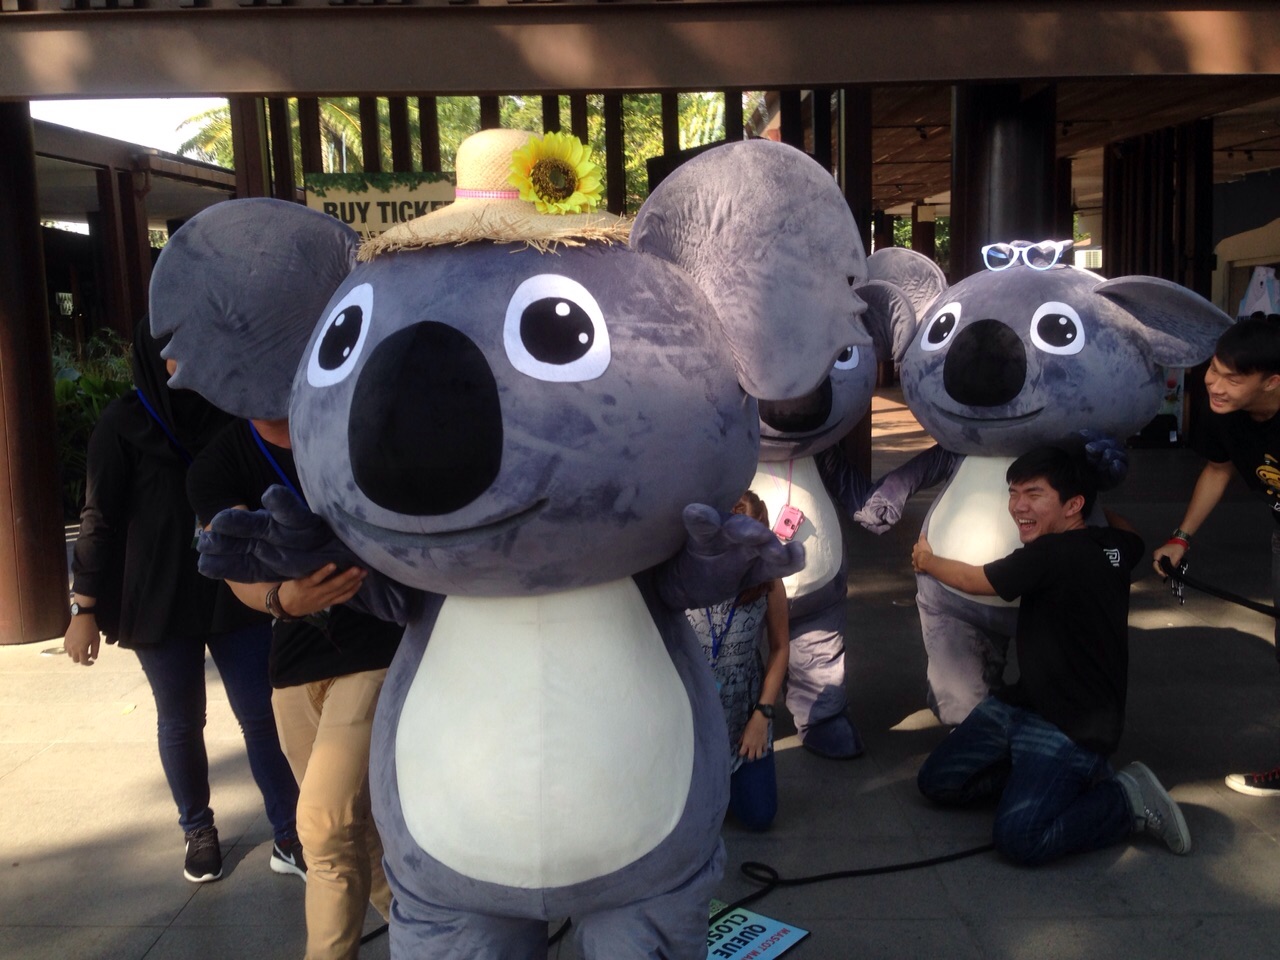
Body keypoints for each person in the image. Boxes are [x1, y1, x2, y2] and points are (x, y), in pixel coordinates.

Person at [65, 321, 301, 885]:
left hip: (234, 588)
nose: (184, 365)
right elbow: (99, 518)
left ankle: (290, 833)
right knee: (180, 720)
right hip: (159, 598)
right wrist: (83, 609)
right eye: (172, 355)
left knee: (261, 713)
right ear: (152, 359)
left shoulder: (228, 413)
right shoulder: (121, 424)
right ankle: (198, 829)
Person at [187, 413, 403, 960]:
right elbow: (235, 564)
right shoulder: (220, 460)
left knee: (324, 827)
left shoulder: (348, 418)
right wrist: (279, 599)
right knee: (356, 835)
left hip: (377, 646)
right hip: (294, 662)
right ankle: (428, 938)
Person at [910, 445, 1190, 864]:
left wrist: (927, 561)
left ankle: (1124, 799)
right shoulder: (1113, 546)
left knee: (1020, 838)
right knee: (937, 781)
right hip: (1021, 704)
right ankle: (1048, 781)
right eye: (1013, 492)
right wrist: (1096, 502)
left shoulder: (1048, 555)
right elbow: (1132, 536)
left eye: (1034, 494)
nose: (1018, 506)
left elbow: (974, 579)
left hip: (1073, 725)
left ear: (1073, 505)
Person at [1153, 316, 1280, 796]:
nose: (1215, 385)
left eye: (1232, 378)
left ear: (1271, 382)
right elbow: (1218, 469)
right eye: (1213, 369)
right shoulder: (1222, 410)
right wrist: (1181, 538)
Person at [686, 490, 790, 831]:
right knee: (689, 821)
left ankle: (729, 778)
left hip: (745, 709)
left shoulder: (768, 579)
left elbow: (780, 647)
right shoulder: (688, 571)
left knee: (759, 816)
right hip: (693, 707)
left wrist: (762, 715)